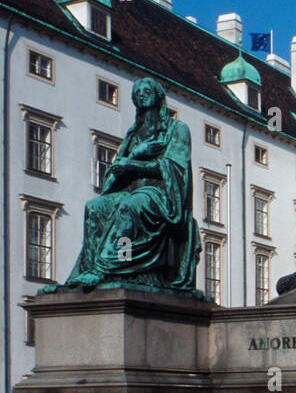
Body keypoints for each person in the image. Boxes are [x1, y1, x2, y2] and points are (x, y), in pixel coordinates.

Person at [64, 77, 201, 291]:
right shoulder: (133, 133)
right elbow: (118, 168)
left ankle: (108, 267)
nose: (141, 94)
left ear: (158, 96)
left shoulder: (177, 129)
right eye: (136, 92)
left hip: (161, 194)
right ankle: (87, 270)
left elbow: (175, 168)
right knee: (94, 208)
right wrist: (133, 158)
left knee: (130, 207)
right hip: (131, 190)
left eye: (147, 90)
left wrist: (132, 164)